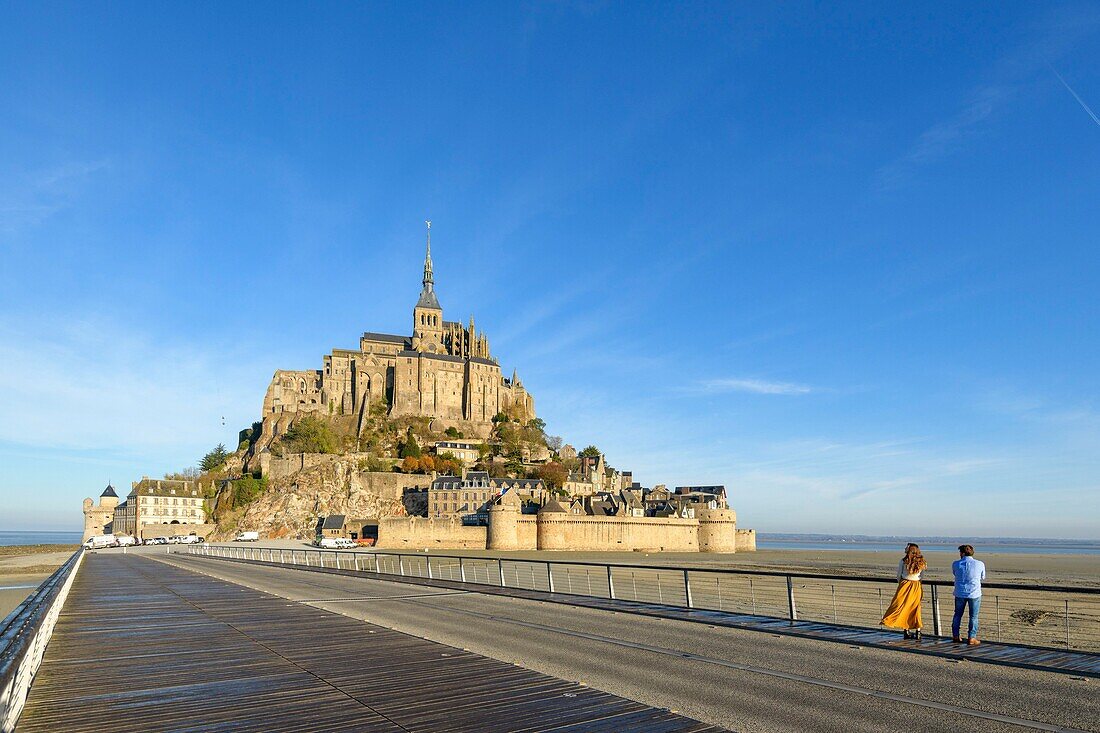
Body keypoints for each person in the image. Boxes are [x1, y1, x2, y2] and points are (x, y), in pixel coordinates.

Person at [881, 543, 926, 640]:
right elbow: (922, 576)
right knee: (915, 608)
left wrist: (901, 583)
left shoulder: (903, 561)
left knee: (901, 606)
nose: (905, 548)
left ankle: (905, 630)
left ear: (910, 549)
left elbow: (898, 575)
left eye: (907, 547)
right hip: (916, 586)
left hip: (905, 584)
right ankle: (918, 631)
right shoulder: (921, 561)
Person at [952, 544, 986, 645]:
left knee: (957, 615)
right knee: (973, 616)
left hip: (959, 593)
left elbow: (955, 573)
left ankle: (956, 636)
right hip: (974, 593)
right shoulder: (980, 564)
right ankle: (972, 637)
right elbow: (983, 577)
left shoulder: (956, 564)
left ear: (962, 553)